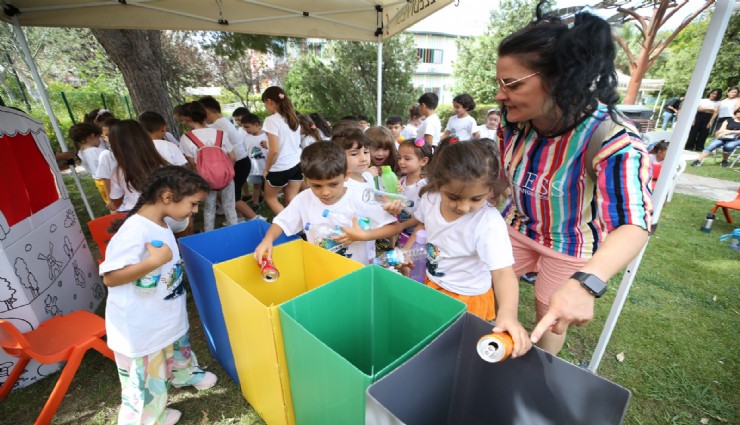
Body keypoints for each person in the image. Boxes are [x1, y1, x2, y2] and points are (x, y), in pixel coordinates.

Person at [495, 2, 653, 354]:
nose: (499, 95)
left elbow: (634, 224)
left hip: (572, 244)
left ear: (561, 80)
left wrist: (585, 285)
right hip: (517, 227)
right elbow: (503, 179)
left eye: (511, 84)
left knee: (548, 317)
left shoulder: (613, 139)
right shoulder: (515, 124)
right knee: (485, 288)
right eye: (499, 83)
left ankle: (539, 376)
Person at [100, 166, 217, 425]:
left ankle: (185, 375)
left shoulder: (161, 223)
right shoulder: (134, 230)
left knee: (177, 344)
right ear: (167, 196)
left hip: (164, 313)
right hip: (140, 324)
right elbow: (110, 277)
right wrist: (154, 263)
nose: (195, 211)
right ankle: (147, 418)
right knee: (145, 375)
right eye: (193, 204)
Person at [397, 142, 530, 357]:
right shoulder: (430, 198)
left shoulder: (488, 223)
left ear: (490, 190)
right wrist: (409, 250)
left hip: (467, 298)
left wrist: (507, 314)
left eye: (476, 198)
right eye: (454, 197)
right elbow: (423, 226)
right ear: (438, 183)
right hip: (431, 282)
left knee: (457, 351)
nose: (463, 207)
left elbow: (503, 273)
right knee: (429, 342)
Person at [253, 142, 401, 266]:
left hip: (358, 270)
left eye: (333, 184)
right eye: (316, 185)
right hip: (322, 268)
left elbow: (394, 227)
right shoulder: (303, 199)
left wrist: (363, 235)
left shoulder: (360, 197)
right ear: (305, 179)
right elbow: (282, 222)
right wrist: (267, 240)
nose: (325, 192)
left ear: (346, 176)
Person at [178, 101, 239, 231]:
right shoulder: (220, 133)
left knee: (209, 209)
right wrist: (225, 171)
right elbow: (233, 156)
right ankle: (236, 234)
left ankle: (209, 235)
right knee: (230, 207)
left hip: (205, 179)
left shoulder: (186, 138)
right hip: (226, 177)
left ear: (187, 118)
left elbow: (192, 163)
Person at [199, 96, 256, 221]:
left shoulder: (217, 125)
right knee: (232, 195)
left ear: (207, 111)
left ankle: (257, 219)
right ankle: (240, 219)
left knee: (233, 198)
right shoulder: (221, 122)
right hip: (239, 161)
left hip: (238, 162)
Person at [261, 86, 303, 214]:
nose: (266, 108)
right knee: (291, 199)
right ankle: (299, 227)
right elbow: (289, 143)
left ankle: (288, 227)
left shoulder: (271, 120)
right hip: (296, 164)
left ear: (269, 101)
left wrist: (267, 169)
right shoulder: (292, 118)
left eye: (265, 104)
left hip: (280, 167)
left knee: (270, 198)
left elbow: (274, 151)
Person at [69, 122, 108, 203]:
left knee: (111, 205)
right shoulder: (99, 152)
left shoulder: (80, 153)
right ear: (92, 136)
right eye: (99, 137)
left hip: (99, 183)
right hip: (109, 182)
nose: (100, 141)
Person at [397, 138, 432, 227]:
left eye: (407, 159)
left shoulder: (425, 186)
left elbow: (420, 217)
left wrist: (400, 227)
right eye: (399, 157)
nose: (401, 162)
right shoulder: (401, 181)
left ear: (423, 161)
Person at [241, 113, 268, 210]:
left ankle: (269, 200)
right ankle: (255, 203)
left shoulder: (267, 136)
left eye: (247, 127)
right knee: (256, 186)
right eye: (244, 127)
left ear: (256, 125)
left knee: (268, 187)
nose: (245, 130)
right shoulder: (246, 137)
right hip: (254, 168)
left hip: (267, 167)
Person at [366, 125, 399, 190]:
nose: (380, 154)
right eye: (376, 149)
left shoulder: (396, 166)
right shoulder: (361, 169)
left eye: (385, 149)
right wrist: (366, 175)